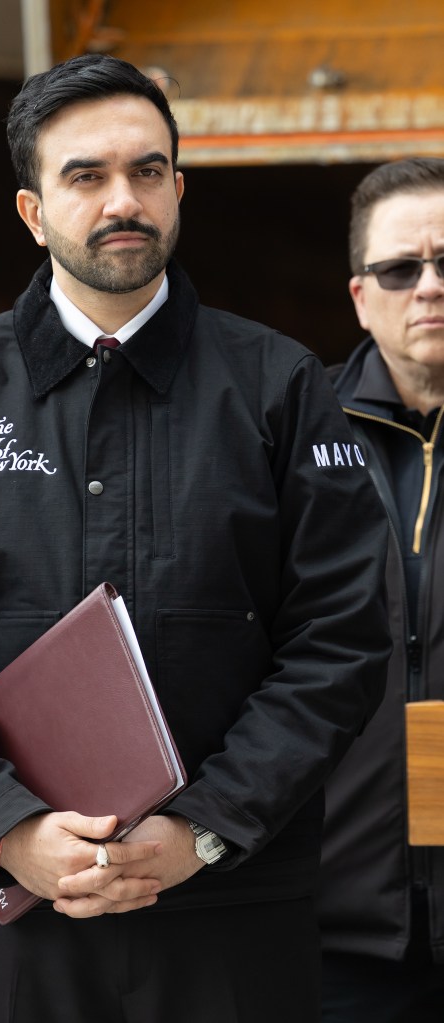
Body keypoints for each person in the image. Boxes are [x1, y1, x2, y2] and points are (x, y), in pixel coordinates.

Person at [0, 56, 391, 1023]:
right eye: (85, 176)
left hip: (234, 900)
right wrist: (8, 829)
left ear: (180, 188)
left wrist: (207, 827)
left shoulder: (281, 385)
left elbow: (339, 638)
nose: (121, 200)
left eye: (147, 172)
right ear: (32, 211)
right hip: (9, 907)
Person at [318, 157, 444, 1021]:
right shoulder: (294, 444)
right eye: (403, 268)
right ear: (362, 296)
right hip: (344, 926)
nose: (430, 286)